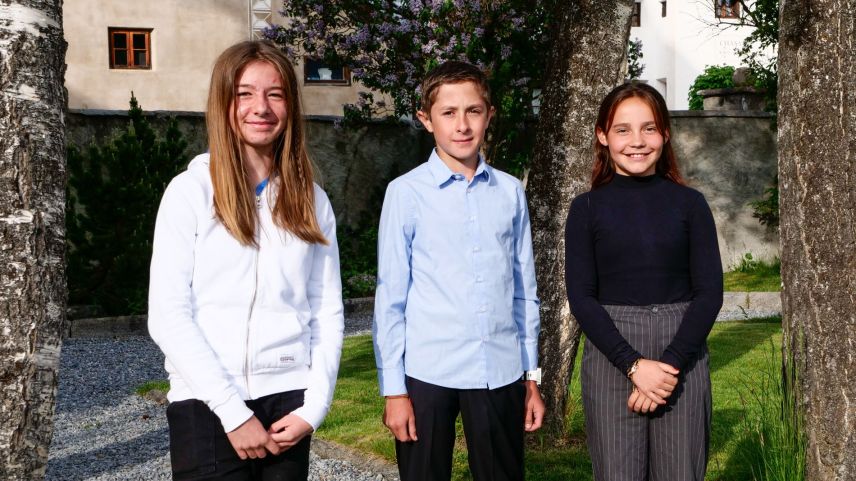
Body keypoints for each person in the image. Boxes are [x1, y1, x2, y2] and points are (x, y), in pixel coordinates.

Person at [148, 40, 344, 481]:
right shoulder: (190, 192)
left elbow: (327, 311)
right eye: (245, 93)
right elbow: (167, 315)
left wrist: (314, 408)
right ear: (224, 102)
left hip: (289, 403)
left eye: (275, 94)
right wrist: (233, 413)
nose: (261, 107)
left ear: (290, 105)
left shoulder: (312, 200)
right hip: (207, 403)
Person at [372, 61, 545, 481]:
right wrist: (394, 389)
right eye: (448, 113)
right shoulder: (405, 193)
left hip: (500, 370)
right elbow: (390, 297)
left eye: (473, 111)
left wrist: (531, 376)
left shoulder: (509, 191)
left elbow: (524, 289)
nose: (462, 125)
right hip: (429, 372)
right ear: (426, 120)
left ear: (489, 115)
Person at [564, 82, 723, 481]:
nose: (637, 141)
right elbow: (581, 297)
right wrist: (633, 365)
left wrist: (667, 367)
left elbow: (709, 294)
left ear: (665, 134)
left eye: (649, 129)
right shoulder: (585, 209)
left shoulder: (691, 205)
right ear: (603, 136)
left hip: (680, 354)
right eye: (622, 130)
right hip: (612, 351)